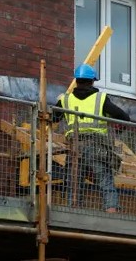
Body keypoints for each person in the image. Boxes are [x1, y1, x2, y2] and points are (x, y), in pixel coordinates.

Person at [54, 64, 130, 213]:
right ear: (92, 81)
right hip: (96, 147)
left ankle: (74, 212)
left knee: (74, 184)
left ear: (76, 81)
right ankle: (111, 211)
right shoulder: (100, 99)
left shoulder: (65, 100)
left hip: (75, 148)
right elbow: (124, 117)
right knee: (105, 181)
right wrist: (119, 128)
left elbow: (51, 118)